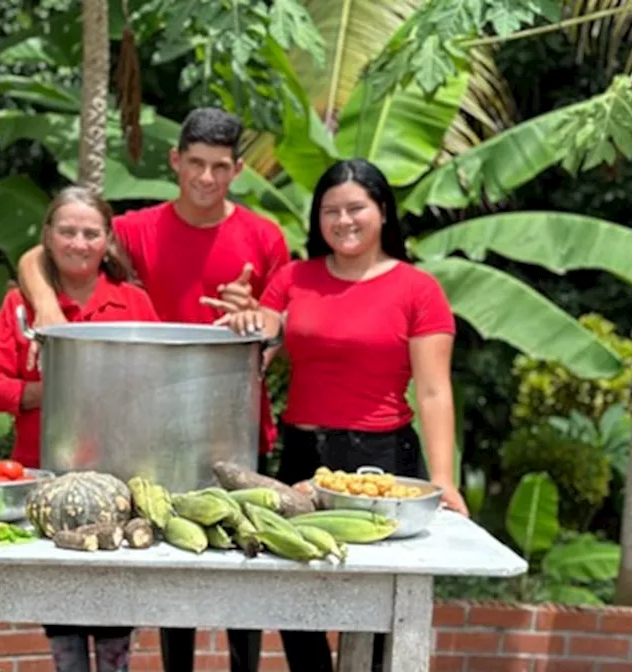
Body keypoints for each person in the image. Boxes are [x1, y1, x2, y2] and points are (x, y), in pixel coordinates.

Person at [14, 108, 289, 672]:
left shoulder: (264, 237)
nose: (206, 179)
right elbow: (38, 254)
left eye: (219, 167)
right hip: (147, 438)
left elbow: (280, 326)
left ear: (237, 168)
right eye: (195, 164)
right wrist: (43, 305)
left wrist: (256, 316)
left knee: (243, 571)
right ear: (175, 161)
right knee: (166, 578)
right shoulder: (139, 229)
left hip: (231, 434)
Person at [214, 158, 470, 671]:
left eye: (356, 208)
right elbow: (266, 323)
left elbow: (435, 391)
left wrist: (443, 480)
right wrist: (250, 315)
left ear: (382, 212)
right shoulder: (294, 278)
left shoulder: (419, 290)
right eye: (331, 211)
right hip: (302, 458)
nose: (343, 220)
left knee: (376, 602)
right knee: (290, 593)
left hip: (381, 461)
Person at [0, 185, 156, 672]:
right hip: (44, 475)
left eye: (91, 233)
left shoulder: (133, 304)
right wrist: (41, 393)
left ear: (108, 241)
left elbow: (155, 385)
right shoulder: (20, 305)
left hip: (119, 476)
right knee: (60, 599)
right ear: (48, 237)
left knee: (115, 594)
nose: (79, 242)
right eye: (68, 231)